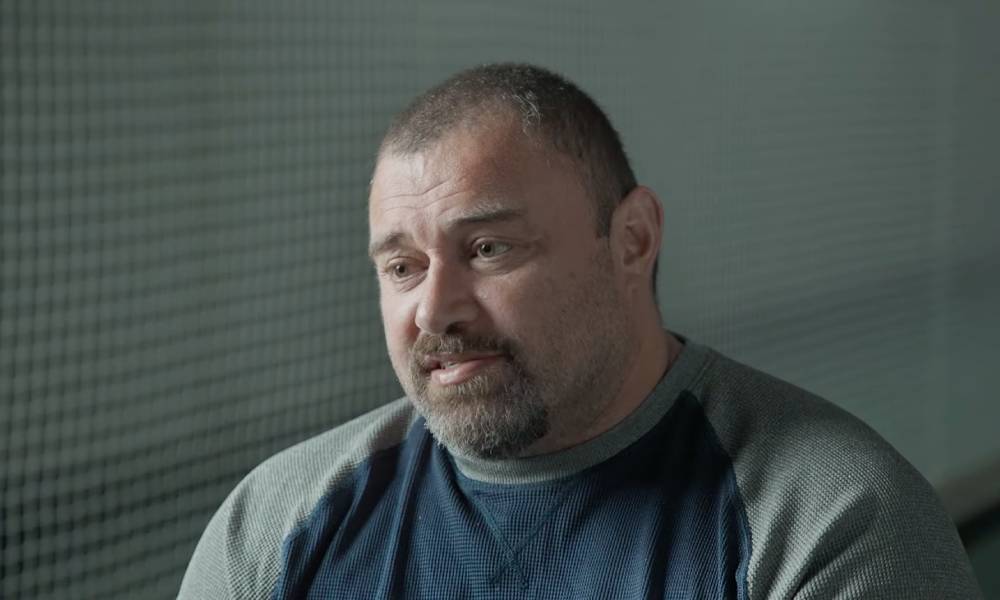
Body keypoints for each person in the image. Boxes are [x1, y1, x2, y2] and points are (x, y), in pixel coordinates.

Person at [179, 63, 981, 599]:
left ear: (632, 240)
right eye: (402, 267)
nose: (434, 309)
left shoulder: (831, 522)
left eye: (488, 249)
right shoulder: (276, 526)